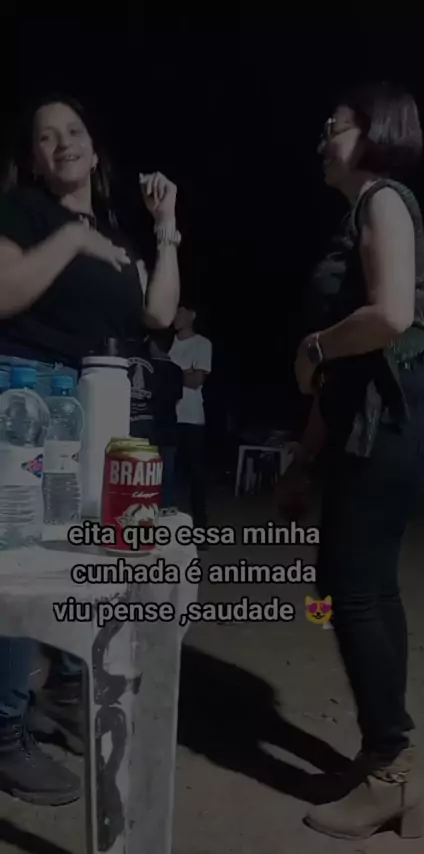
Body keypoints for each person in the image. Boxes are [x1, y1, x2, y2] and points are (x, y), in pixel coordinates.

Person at [283, 82, 424, 840]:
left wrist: (314, 345)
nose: (322, 138)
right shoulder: (356, 215)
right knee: (360, 584)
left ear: (375, 132)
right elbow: (346, 374)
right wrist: (305, 458)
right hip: (376, 417)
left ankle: (392, 763)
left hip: (402, 415)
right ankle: (388, 756)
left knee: (352, 589)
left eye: (336, 125)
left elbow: (390, 316)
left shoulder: (383, 197)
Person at [0, 93, 181, 805]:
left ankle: (68, 691)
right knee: (22, 558)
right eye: (46, 137)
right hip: (25, 394)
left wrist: (165, 229)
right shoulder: (24, 213)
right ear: (34, 159)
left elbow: (159, 312)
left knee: (85, 547)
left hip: (94, 402)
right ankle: (4, 730)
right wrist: (71, 241)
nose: (62, 142)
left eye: (73, 130)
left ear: (94, 149)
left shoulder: (117, 236)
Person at [169, 301, 212, 532]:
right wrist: (184, 372)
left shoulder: (202, 344)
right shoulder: (166, 344)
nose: (174, 316)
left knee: (196, 474)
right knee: (168, 473)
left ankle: (201, 528)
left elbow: (196, 381)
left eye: (179, 312)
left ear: (192, 315)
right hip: (168, 416)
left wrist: (172, 373)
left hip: (192, 417)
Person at [148, 330, 184, 509]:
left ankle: (145, 507)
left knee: (145, 472)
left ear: (153, 344)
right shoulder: (177, 371)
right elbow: (177, 398)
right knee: (167, 474)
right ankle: (165, 508)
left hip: (149, 426)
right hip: (169, 427)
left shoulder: (148, 367)